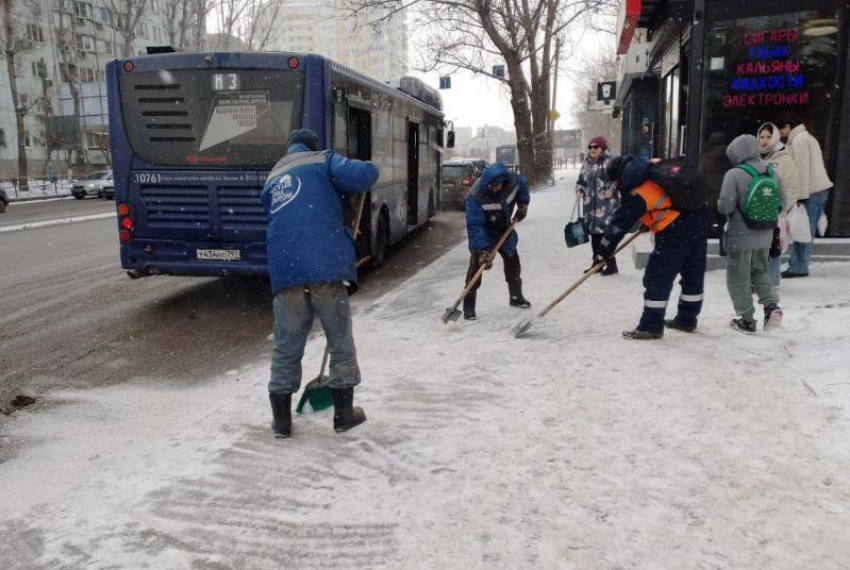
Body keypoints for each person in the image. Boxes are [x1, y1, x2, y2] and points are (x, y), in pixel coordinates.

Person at [261, 128, 379, 438]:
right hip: (325, 267)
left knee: (286, 347)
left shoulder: (274, 176)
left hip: (285, 272)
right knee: (340, 342)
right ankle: (343, 415)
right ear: (312, 146)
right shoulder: (323, 160)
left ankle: (282, 422)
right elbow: (363, 174)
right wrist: (368, 166)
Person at [597, 155, 712, 340]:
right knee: (693, 273)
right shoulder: (653, 172)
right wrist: (649, 221)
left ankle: (651, 325)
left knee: (658, 276)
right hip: (700, 218)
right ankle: (687, 319)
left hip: (676, 229)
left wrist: (602, 252)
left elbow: (617, 226)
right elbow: (664, 200)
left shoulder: (636, 190)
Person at [717, 134, 786, 333]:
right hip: (764, 234)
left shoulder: (734, 174)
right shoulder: (771, 172)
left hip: (740, 236)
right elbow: (782, 201)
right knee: (760, 271)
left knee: (738, 277)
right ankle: (772, 306)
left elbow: (725, 206)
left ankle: (746, 319)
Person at [463, 162, 531, 320]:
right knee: (476, 266)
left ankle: (516, 296)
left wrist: (523, 204)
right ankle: (468, 306)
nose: (496, 189)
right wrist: (484, 249)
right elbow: (475, 226)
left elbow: (523, 185)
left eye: (499, 185)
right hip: (484, 232)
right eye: (492, 186)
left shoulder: (512, 182)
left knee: (513, 260)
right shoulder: (475, 196)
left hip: (504, 230)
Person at [777, 117, 833, 278]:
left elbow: (802, 170)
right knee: (804, 229)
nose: (780, 134)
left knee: (803, 229)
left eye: (781, 130)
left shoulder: (799, 140)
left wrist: (800, 196)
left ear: (788, 126)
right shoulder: (806, 137)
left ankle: (799, 266)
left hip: (810, 192)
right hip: (816, 191)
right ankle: (798, 263)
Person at [757, 122, 802, 287]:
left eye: (769, 136)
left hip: (773, 212)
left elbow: (792, 187)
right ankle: (758, 281)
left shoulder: (784, 159)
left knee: (772, 245)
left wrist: (781, 208)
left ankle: (772, 281)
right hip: (755, 211)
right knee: (757, 246)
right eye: (761, 136)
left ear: (776, 137)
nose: (765, 140)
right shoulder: (754, 157)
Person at [575, 136, 619, 275]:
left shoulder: (611, 161)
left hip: (607, 205)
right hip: (590, 206)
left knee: (605, 236)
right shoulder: (586, 163)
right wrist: (579, 190)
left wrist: (611, 190)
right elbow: (581, 181)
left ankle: (612, 265)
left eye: (596, 147)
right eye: (590, 147)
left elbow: (619, 179)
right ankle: (597, 264)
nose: (592, 150)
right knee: (595, 235)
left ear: (603, 148)